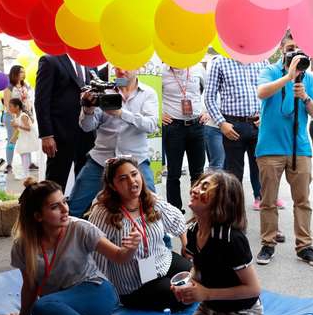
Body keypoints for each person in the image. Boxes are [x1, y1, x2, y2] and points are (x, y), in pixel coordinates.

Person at [10, 179, 146, 315]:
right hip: (62, 309)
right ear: (38, 216)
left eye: (64, 201)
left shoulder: (80, 228)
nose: (65, 209)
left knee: (41, 307)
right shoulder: (22, 245)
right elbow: (30, 286)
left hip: (95, 293)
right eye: (55, 207)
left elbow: (119, 257)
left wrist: (130, 248)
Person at [170, 171, 263, 315]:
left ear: (221, 202)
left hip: (241, 313)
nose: (195, 190)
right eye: (198, 184)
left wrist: (206, 293)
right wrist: (188, 284)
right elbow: (198, 268)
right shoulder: (193, 230)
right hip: (210, 309)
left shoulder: (232, 239)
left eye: (205, 188)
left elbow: (253, 289)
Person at [254, 32, 313, 267]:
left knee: (302, 200)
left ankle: (305, 246)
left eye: (299, 48)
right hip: (270, 147)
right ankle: (268, 244)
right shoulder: (270, 70)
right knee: (268, 201)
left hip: (299, 148)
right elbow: (261, 92)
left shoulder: (309, 78)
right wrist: (288, 77)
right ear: (283, 48)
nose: (295, 52)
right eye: (291, 47)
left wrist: (305, 97)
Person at [90, 157, 192, 311]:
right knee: (180, 296)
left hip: (161, 260)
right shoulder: (104, 213)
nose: (132, 181)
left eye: (134, 174)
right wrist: (105, 292)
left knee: (198, 277)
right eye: (123, 178)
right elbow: (96, 255)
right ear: (112, 185)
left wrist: (185, 244)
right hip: (133, 283)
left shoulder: (150, 199)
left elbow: (176, 219)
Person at [67, 67, 158, 219]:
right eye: (117, 67)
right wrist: (88, 109)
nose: (121, 71)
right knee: (74, 208)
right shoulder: (104, 92)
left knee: (151, 206)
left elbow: (151, 125)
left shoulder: (148, 93)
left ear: (137, 67)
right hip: (101, 160)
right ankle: (70, 234)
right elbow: (87, 126)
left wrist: (121, 113)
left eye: (126, 66)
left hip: (136, 160)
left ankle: (155, 236)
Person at [205, 54, 278, 211]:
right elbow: (209, 97)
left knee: (261, 166)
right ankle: (234, 211)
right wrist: (221, 123)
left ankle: (262, 200)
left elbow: (270, 93)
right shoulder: (220, 62)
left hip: (258, 124)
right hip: (233, 125)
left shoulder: (262, 61)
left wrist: (265, 116)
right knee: (233, 172)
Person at [34, 54, 97, 191]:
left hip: (86, 134)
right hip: (60, 135)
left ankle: (78, 206)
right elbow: (41, 100)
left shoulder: (89, 62)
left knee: (84, 182)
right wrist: (46, 135)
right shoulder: (50, 60)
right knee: (55, 183)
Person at [162, 62, 207, 212]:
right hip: (173, 126)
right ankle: (175, 212)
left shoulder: (198, 68)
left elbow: (209, 91)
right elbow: (152, 93)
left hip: (197, 125)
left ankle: (199, 210)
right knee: (173, 173)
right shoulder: (162, 71)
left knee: (198, 173)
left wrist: (206, 111)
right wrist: (159, 113)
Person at [3, 65, 35, 175]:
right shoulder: (9, 87)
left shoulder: (26, 86)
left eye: (24, 72)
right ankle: (9, 164)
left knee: (27, 138)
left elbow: (29, 101)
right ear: (15, 73)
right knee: (12, 139)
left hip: (25, 116)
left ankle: (29, 163)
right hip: (12, 117)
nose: (23, 74)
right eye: (21, 72)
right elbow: (7, 104)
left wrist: (29, 114)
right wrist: (15, 118)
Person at [203, 56, 225, 170]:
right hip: (214, 126)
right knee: (217, 164)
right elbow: (205, 98)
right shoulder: (215, 62)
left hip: (232, 125)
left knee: (229, 164)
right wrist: (205, 112)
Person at [7, 99, 38, 179]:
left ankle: (26, 173)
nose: (9, 108)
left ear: (17, 107)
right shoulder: (16, 116)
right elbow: (17, 130)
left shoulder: (23, 116)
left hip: (27, 137)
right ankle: (25, 172)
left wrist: (17, 125)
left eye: (10, 106)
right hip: (23, 137)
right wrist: (13, 138)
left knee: (24, 154)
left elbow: (28, 128)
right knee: (23, 154)